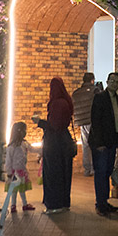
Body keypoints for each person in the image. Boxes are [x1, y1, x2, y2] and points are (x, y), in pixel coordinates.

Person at [32, 77, 74, 214]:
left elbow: (54, 126)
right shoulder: (67, 102)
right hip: (65, 142)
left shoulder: (56, 103)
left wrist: (39, 122)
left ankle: (53, 204)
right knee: (64, 174)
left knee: (53, 174)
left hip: (54, 144)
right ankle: (64, 203)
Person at [89, 71, 118, 217]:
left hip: (112, 142)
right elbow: (95, 121)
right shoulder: (100, 98)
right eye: (112, 81)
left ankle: (104, 201)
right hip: (101, 143)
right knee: (101, 172)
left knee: (107, 172)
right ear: (107, 81)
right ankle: (100, 204)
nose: (114, 84)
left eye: (117, 82)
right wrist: (99, 143)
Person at [4, 121, 37, 213]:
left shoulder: (22, 144)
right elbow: (8, 160)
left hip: (19, 171)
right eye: (24, 130)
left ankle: (17, 205)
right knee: (18, 189)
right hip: (16, 172)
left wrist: (42, 150)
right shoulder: (12, 146)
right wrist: (9, 172)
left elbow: (33, 149)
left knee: (18, 189)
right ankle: (20, 205)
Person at [72, 72, 97, 177]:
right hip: (93, 121)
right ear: (92, 80)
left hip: (81, 121)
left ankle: (87, 169)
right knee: (94, 145)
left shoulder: (77, 92)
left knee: (85, 145)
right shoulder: (95, 91)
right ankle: (94, 168)